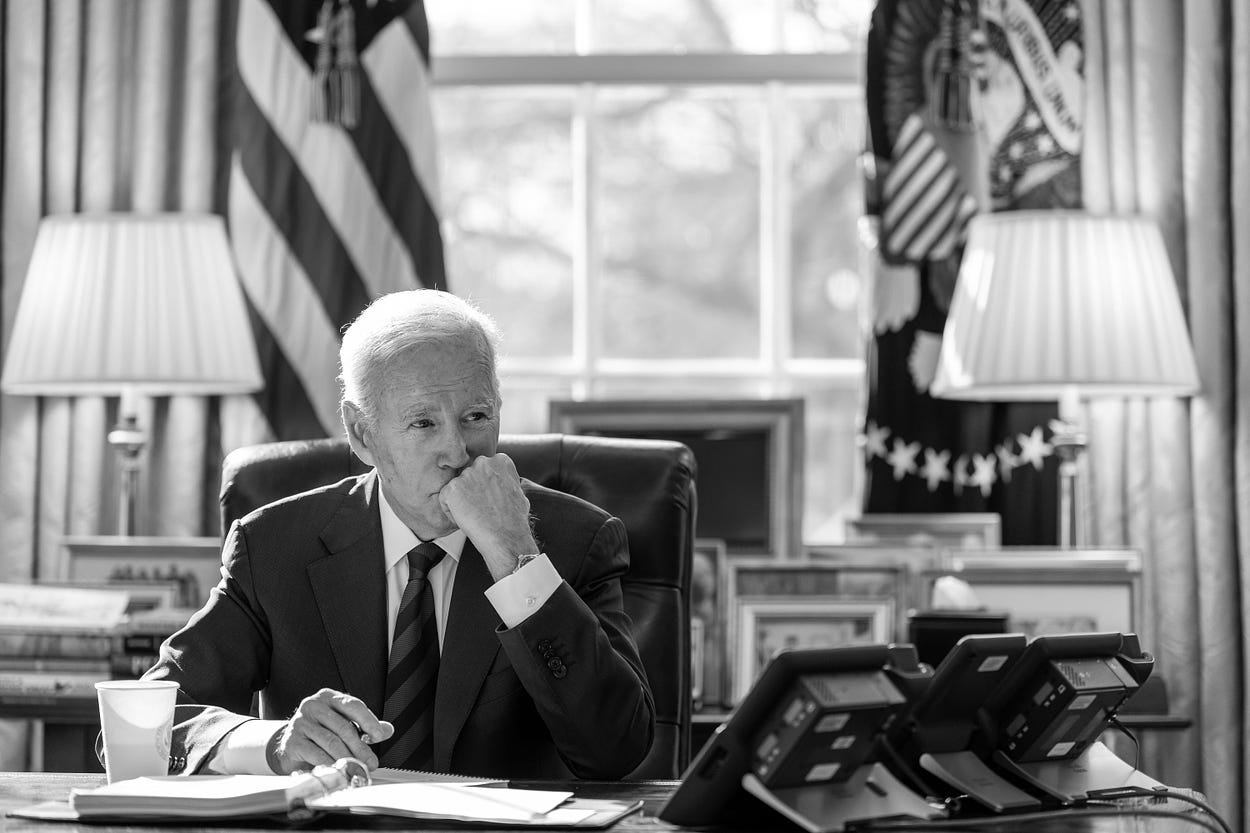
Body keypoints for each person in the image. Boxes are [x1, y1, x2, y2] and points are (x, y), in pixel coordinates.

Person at [143, 289, 654, 779]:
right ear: (363, 433)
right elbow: (143, 722)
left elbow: (617, 751)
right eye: (423, 423)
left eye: (476, 416)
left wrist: (516, 557)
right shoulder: (275, 546)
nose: (457, 451)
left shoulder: (575, 541)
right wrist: (272, 743)